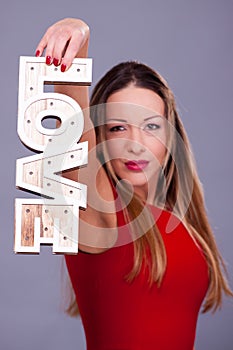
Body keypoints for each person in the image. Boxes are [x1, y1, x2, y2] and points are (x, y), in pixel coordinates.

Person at [35, 18, 232, 350]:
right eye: (117, 128)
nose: (135, 143)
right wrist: (77, 32)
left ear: (171, 136)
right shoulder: (101, 211)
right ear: (98, 139)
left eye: (151, 126)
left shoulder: (180, 221)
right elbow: (72, 121)